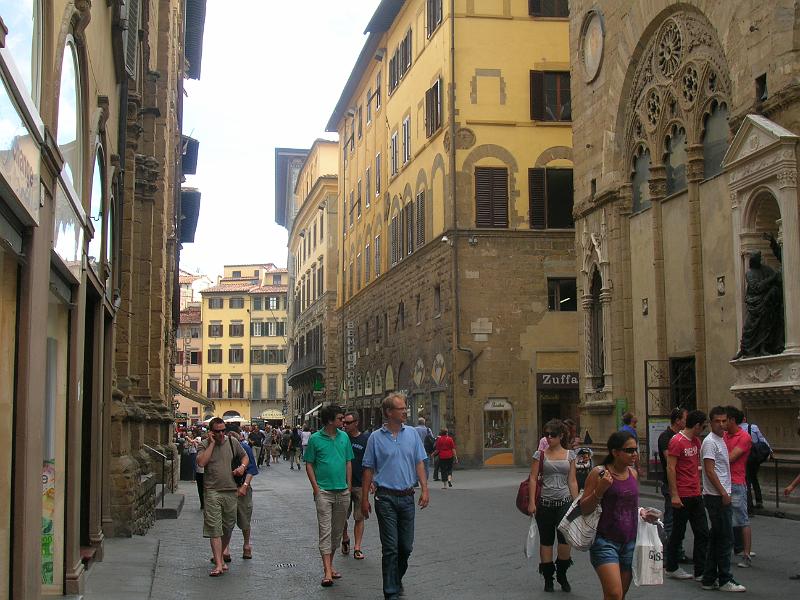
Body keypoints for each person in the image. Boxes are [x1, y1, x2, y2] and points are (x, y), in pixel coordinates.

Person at [361, 393, 429, 600]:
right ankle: (390, 592)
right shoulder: (375, 437)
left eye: (405, 408)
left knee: (405, 547)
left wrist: (425, 488)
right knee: (390, 547)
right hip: (385, 498)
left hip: (407, 497)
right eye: (401, 408)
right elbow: (368, 469)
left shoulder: (412, 435)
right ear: (389, 412)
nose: (405, 411)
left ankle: (395, 578)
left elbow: (419, 462)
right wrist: (364, 499)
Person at [581, 431, 652, 600]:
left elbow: (628, 504)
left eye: (636, 449)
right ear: (615, 452)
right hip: (604, 541)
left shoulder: (633, 473)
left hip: (629, 541)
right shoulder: (599, 473)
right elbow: (584, 508)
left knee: (620, 595)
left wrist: (642, 512)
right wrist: (600, 490)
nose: (634, 454)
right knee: (614, 593)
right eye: (629, 450)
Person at [304, 405, 353, 587]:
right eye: (341, 419)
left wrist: (348, 485)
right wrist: (316, 488)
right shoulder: (315, 439)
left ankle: (330, 565)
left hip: (342, 492)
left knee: (337, 533)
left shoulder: (344, 437)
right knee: (325, 531)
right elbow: (309, 464)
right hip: (324, 492)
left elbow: (348, 462)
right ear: (331, 420)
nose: (344, 422)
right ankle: (327, 571)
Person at [527, 419, 578, 593]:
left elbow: (572, 480)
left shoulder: (570, 455)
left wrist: (576, 502)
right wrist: (532, 502)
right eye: (546, 434)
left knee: (564, 541)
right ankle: (548, 578)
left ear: (561, 436)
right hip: (545, 503)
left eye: (553, 435)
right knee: (546, 540)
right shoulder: (539, 454)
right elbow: (533, 478)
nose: (549, 438)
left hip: (564, 502)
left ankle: (562, 574)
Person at [700, 406, 745, 592]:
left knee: (717, 537)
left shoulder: (720, 440)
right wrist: (724, 493)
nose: (721, 424)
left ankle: (709, 578)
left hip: (719, 495)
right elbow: (709, 470)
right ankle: (725, 578)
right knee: (725, 538)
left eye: (724, 421)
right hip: (717, 496)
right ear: (710, 423)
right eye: (717, 421)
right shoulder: (710, 442)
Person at [196, 417, 248, 577]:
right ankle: (219, 563)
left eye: (223, 430)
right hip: (212, 491)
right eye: (217, 431)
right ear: (211, 432)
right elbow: (201, 463)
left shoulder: (233, 442)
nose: (220, 434)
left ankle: (219, 557)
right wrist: (211, 443)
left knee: (228, 526)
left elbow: (245, 457)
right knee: (214, 528)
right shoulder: (204, 444)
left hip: (231, 490)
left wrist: (242, 467)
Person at [665, 409, 709, 581]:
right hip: (682, 494)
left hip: (695, 493)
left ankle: (701, 570)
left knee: (702, 532)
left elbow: (693, 465)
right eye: (703, 426)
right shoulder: (677, 441)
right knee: (678, 532)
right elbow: (671, 468)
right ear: (697, 425)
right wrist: (674, 495)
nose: (703, 430)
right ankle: (672, 566)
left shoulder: (696, 442)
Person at [222, 422, 258, 561]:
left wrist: (244, 486)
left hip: (241, 488)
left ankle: (246, 545)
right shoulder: (223, 447)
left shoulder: (244, 448)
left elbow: (251, 469)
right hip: (227, 488)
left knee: (244, 519)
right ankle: (227, 548)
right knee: (227, 521)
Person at [724, 405, 753, 568]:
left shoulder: (744, 437)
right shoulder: (725, 436)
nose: (722, 424)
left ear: (732, 420)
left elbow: (731, 457)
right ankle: (729, 550)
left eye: (725, 420)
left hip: (736, 482)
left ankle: (746, 554)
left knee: (742, 519)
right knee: (726, 519)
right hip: (724, 482)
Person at [657, 407, 689, 561]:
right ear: (677, 420)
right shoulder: (666, 437)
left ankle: (677, 551)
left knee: (678, 520)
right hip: (670, 483)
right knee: (670, 519)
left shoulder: (681, 436)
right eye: (685, 418)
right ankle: (670, 554)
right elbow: (671, 461)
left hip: (680, 482)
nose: (686, 421)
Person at [341, 411, 370, 559]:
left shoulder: (365, 440)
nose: (344, 425)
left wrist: (371, 482)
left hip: (360, 484)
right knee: (341, 517)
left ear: (356, 423)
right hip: (342, 484)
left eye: (348, 423)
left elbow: (369, 464)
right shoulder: (341, 438)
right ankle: (345, 537)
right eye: (344, 422)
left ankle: (357, 547)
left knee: (359, 517)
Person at [743, 415, 772, 511]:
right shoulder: (753, 427)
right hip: (755, 457)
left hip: (745, 458)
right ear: (745, 418)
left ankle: (749, 504)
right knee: (754, 478)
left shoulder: (737, 430)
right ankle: (759, 501)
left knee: (747, 481)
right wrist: (770, 451)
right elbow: (762, 439)